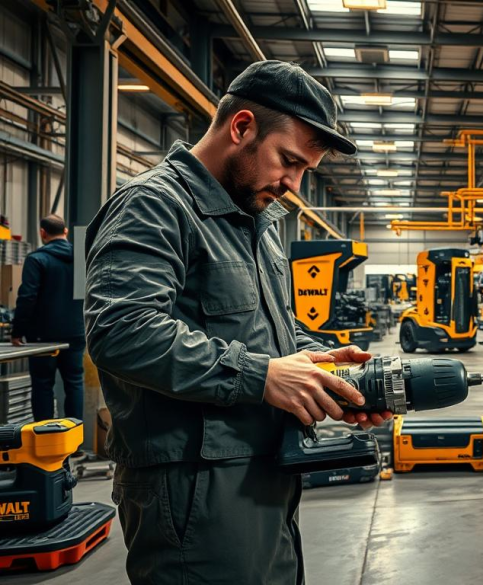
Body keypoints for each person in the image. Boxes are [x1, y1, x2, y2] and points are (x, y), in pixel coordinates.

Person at [84, 60, 391, 584]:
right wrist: (263, 377)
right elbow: (122, 329)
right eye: (288, 161)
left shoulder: (256, 222)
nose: (293, 183)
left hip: (262, 473)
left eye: (303, 171)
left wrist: (319, 364)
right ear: (242, 127)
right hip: (193, 491)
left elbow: (264, 331)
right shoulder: (155, 205)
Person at [12, 214, 85, 422]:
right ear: (66, 232)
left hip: (43, 338)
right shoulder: (82, 259)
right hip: (75, 332)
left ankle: (44, 445)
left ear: (42, 233)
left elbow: (27, 297)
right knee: (74, 383)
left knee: (43, 385)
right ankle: (74, 440)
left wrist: (18, 332)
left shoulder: (37, 259)